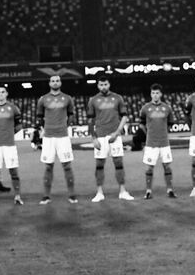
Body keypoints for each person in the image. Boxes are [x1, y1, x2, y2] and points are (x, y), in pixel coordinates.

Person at [87, 76, 133, 202]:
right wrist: (93, 138)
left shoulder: (118, 98)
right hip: (100, 136)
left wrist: (117, 133)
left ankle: (123, 191)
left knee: (119, 163)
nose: (103, 87)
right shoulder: (93, 100)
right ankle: (99, 193)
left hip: (115, 136)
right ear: (98, 86)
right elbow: (90, 120)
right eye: (101, 85)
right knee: (99, 164)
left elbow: (124, 117)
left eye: (105, 84)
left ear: (109, 84)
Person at [36, 75, 78, 204]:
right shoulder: (43, 99)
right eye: (53, 81)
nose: (55, 83)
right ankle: (46, 196)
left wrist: (65, 126)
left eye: (57, 80)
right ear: (49, 83)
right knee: (48, 167)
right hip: (48, 137)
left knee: (67, 166)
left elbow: (71, 115)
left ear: (60, 83)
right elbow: (39, 117)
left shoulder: (67, 98)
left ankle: (72, 195)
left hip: (63, 136)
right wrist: (44, 128)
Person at [0, 85, 24, 206]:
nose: (0, 94)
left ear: (6, 94)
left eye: (3, 92)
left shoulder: (13, 108)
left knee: (13, 172)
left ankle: (17, 196)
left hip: (9, 145)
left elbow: (19, 125)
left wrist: (9, 133)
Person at [140, 84, 177, 199]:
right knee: (149, 167)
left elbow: (170, 123)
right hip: (151, 143)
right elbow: (141, 124)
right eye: (153, 93)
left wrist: (163, 132)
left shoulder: (167, 108)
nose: (155, 95)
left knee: (167, 166)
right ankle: (148, 191)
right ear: (151, 94)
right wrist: (148, 133)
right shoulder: (145, 108)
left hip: (164, 143)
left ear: (161, 94)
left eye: (157, 93)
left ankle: (170, 190)